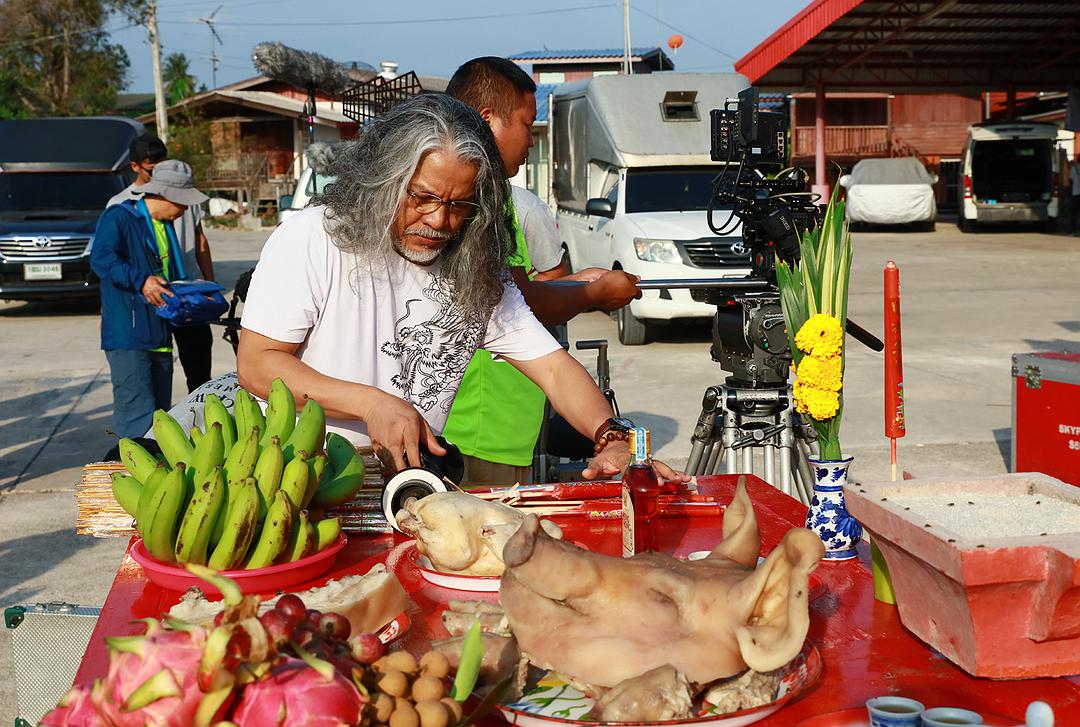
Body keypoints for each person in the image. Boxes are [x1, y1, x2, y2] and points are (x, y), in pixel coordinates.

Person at [236, 93, 684, 484]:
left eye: (459, 204)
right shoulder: (316, 237)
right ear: (381, 182)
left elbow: (552, 368)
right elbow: (257, 364)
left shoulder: (474, 263)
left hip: (412, 479)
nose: (439, 220)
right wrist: (370, 404)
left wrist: (612, 437)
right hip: (300, 473)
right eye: (422, 197)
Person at [444, 56, 641, 485]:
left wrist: (610, 434)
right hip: (475, 429)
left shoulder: (496, 204)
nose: (532, 140)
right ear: (486, 120)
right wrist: (594, 293)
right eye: (526, 124)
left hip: (499, 423)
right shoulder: (482, 207)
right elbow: (526, 304)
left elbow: (513, 304)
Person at [91, 160, 210, 438]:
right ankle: (131, 475)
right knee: (136, 418)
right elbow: (101, 259)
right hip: (129, 337)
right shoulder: (119, 218)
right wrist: (141, 280)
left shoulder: (164, 226)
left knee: (159, 421)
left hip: (160, 335)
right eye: (183, 202)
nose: (185, 209)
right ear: (167, 195)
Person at [109, 134, 216, 392]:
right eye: (152, 167)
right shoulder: (121, 206)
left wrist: (210, 286)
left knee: (200, 372)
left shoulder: (184, 195)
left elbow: (200, 240)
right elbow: (109, 261)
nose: (159, 170)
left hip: (188, 293)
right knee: (155, 373)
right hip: (152, 300)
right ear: (135, 166)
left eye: (162, 162)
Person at [1070, 155, 1080, 236]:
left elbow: (1071, 179)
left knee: (1074, 212)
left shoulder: (1074, 168)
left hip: (1075, 193)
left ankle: (1073, 229)